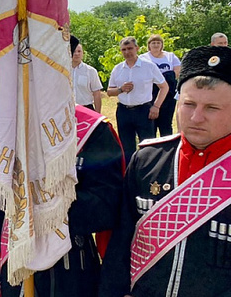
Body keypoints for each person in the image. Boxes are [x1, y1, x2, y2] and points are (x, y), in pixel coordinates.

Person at [99, 45, 231, 297]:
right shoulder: (147, 159)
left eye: (212, 108)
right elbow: (120, 244)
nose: (195, 118)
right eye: (189, 104)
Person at [0, 105, 125, 297]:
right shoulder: (9, 124)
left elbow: (107, 205)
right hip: (14, 258)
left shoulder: (94, 130)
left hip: (71, 263)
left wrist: (46, 205)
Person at [107, 37, 169, 163]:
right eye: (123, 49)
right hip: (124, 111)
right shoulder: (118, 69)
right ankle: (129, 174)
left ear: (137, 48)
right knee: (126, 147)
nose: (127, 52)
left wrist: (156, 106)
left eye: (130, 48)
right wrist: (121, 90)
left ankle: (148, 173)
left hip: (143, 110)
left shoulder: (149, 66)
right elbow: (109, 91)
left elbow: (164, 87)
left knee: (147, 146)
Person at [140, 34, 181, 137]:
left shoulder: (170, 56)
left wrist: (164, 78)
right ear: (149, 45)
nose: (156, 45)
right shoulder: (143, 58)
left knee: (166, 123)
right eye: (153, 43)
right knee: (150, 122)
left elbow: (177, 71)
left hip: (168, 93)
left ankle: (167, 147)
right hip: (150, 93)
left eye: (158, 43)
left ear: (162, 45)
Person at [70, 36, 102, 111]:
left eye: (79, 51)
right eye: (74, 51)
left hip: (86, 109)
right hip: (68, 110)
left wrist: (97, 113)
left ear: (83, 53)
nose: (76, 54)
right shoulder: (64, 71)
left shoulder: (91, 71)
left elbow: (96, 94)